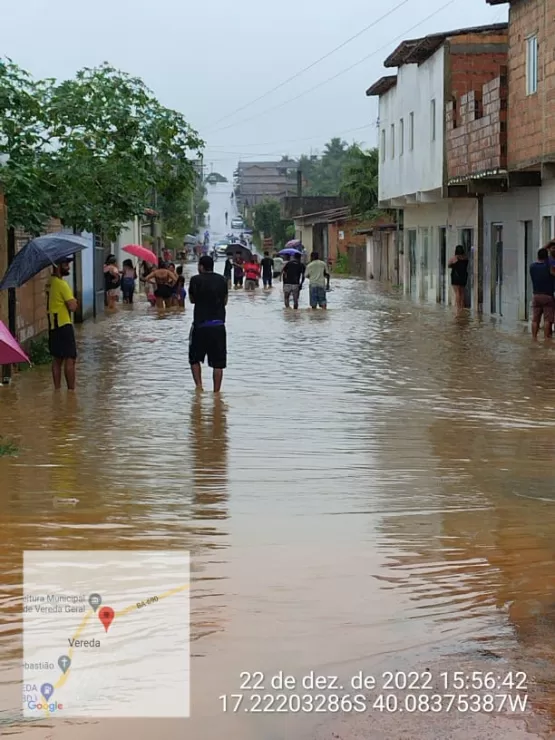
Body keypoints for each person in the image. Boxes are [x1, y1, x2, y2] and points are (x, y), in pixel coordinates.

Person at [188, 255, 228, 393]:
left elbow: (192, 300)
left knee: (194, 359)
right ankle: (216, 393)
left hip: (200, 325)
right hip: (218, 325)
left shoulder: (195, 280)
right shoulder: (222, 280)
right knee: (218, 363)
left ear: (201, 266)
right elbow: (225, 301)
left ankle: (199, 387)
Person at [47, 258, 78, 390]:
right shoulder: (61, 284)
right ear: (57, 266)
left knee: (57, 359)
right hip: (64, 325)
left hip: (53, 326)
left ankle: (57, 390)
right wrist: (75, 301)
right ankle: (71, 392)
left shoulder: (50, 282)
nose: (68, 267)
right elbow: (72, 307)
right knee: (70, 358)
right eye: (66, 264)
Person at [530, 247, 555, 340]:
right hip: (547, 296)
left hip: (536, 296)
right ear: (546, 257)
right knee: (547, 320)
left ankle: (534, 338)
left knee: (535, 319)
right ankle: (546, 339)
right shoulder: (548, 267)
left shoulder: (532, 267)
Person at [448, 245, 469, 312]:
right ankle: (462, 306)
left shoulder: (454, 258)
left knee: (457, 292)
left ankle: (458, 307)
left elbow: (449, 265)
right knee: (462, 292)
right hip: (464, 276)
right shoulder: (466, 258)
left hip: (455, 276)